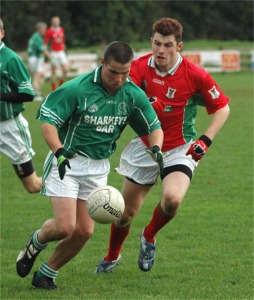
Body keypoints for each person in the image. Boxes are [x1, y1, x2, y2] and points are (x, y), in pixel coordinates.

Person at [16, 41, 164, 290]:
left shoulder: (131, 94)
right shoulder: (77, 88)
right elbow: (48, 124)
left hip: (98, 168)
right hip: (68, 162)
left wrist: (156, 148)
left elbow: (154, 127)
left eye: (125, 72)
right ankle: (36, 241)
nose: (119, 79)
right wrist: (59, 151)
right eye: (113, 72)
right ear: (103, 63)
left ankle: (46, 274)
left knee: (84, 232)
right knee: (65, 226)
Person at [95, 17, 230, 274]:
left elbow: (223, 107)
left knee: (172, 199)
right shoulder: (137, 67)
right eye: (157, 44)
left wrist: (205, 140)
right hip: (146, 147)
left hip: (180, 148)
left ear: (179, 46)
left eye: (168, 45)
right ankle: (112, 256)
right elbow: (122, 97)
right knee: (123, 215)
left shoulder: (195, 74)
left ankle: (149, 236)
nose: (161, 51)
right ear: (151, 42)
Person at [0, 18, 42, 194]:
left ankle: (68, 181)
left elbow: (27, 93)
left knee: (32, 185)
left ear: (2, 33)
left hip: (10, 128)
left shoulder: (10, 59)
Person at [44, 16, 69, 91]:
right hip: (53, 54)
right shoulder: (49, 31)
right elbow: (45, 43)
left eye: (57, 21)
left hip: (61, 52)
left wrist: (65, 50)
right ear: (52, 22)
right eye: (54, 21)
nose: (56, 23)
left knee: (65, 69)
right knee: (53, 70)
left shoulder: (61, 29)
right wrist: (46, 53)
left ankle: (61, 85)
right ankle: (54, 89)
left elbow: (62, 41)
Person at [27, 22, 50, 101]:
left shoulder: (36, 37)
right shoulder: (37, 37)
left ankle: (38, 91)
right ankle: (36, 94)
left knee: (41, 75)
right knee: (36, 76)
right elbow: (42, 50)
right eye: (44, 29)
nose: (45, 31)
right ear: (39, 29)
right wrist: (52, 60)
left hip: (35, 59)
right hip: (35, 58)